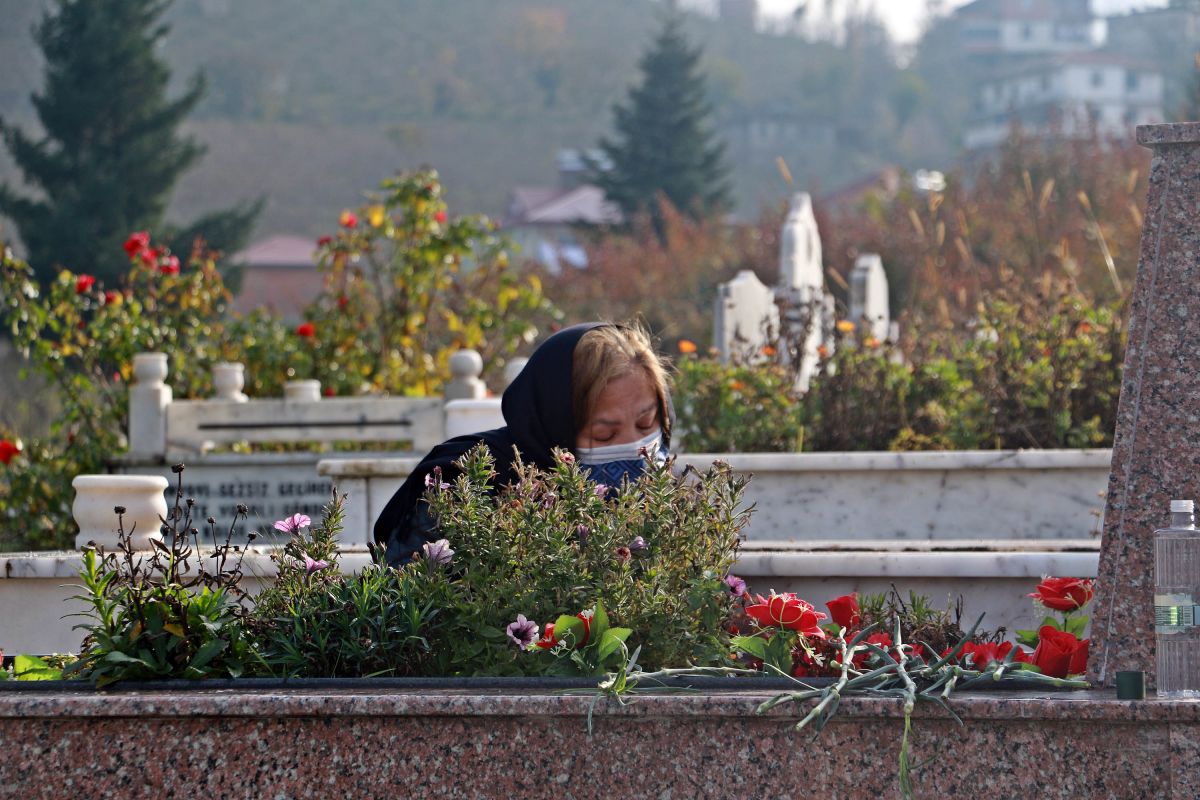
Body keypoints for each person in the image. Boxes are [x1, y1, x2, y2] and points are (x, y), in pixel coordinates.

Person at [373, 322, 673, 566]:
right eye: (605, 434)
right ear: (556, 427)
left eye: (647, 424)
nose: (639, 446)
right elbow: (414, 603)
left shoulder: (665, 498)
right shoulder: (469, 481)